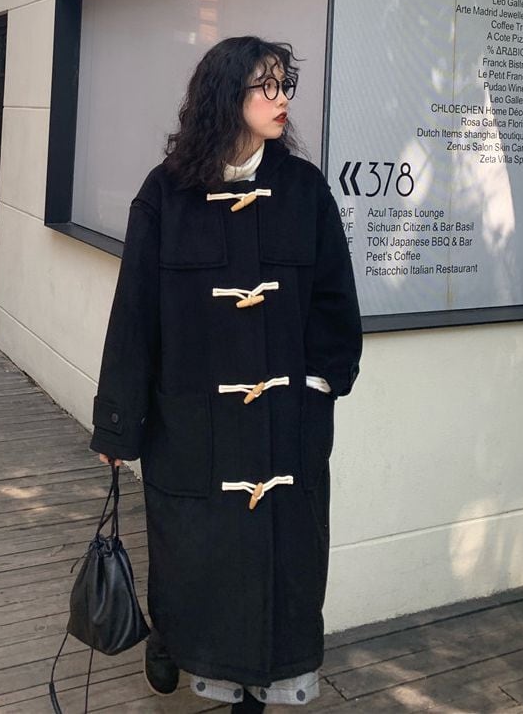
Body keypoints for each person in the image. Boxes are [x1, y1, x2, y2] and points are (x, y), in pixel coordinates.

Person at [90, 36, 362, 712]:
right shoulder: (167, 193)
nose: (281, 98)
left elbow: (335, 298)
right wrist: (118, 423)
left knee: (285, 559)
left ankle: (259, 685)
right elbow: (134, 314)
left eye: (284, 84)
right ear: (224, 96)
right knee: (190, 549)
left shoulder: (303, 189)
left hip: (283, 423)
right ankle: (171, 640)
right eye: (265, 86)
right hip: (191, 420)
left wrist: (320, 382)